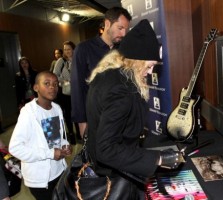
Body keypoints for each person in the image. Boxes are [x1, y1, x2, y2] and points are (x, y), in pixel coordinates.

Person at [86, 19, 184, 199]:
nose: (150, 71)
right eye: (149, 66)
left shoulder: (108, 74)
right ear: (135, 61)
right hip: (114, 175)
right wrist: (158, 159)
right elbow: (106, 149)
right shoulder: (121, 91)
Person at [9, 71, 72, 200]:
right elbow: (15, 148)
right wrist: (49, 154)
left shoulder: (56, 108)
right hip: (40, 180)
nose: (52, 87)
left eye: (55, 84)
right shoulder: (28, 113)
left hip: (59, 172)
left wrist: (64, 144)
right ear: (36, 87)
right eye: (47, 83)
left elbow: (55, 138)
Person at [71, 7, 132, 138]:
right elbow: (77, 88)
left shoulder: (125, 50)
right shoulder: (84, 49)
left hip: (121, 117)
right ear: (107, 24)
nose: (124, 34)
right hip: (95, 118)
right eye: (120, 28)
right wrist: (82, 122)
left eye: (126, 30)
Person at [53, 41, 80, 144]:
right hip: (65, 92)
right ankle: (71, 134)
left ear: (73, 49)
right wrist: (64, 81)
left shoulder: (77, 59)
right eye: (65, 49)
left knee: (77, 112)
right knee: (68, 114)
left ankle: (79, 132)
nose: (67, 51)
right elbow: (55, 75)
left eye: (69, 49)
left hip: (76, 91)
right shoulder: (61, 61)